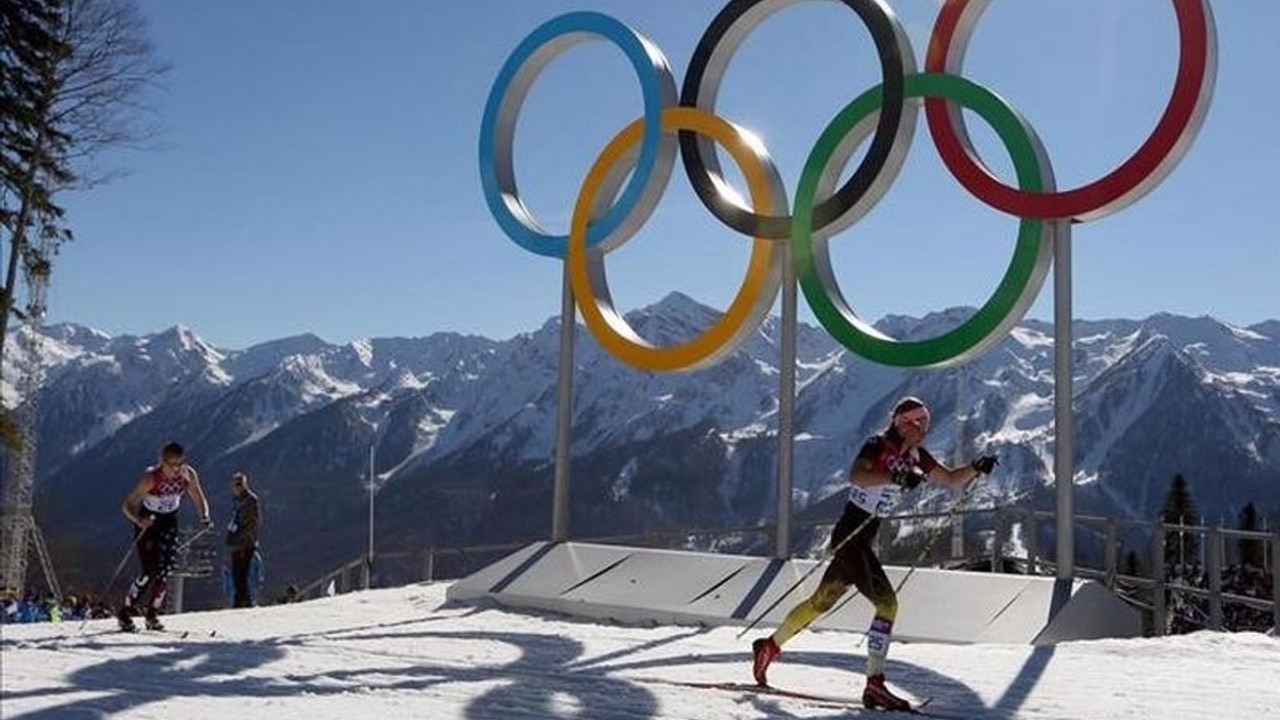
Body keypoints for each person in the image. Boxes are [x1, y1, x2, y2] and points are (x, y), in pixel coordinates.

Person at [751, 396, 999, 711]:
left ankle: (769, 647)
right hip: (850, 535)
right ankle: (875, 685)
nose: (925, 428)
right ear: (903, 423)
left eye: (926, 423)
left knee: (820, 602)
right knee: (887, 604)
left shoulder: (917, 456)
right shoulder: (877, 444)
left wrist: (976, 468)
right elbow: (857, 475)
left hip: (859, 538)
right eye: (920, 423)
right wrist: (895, 477)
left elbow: (950, 479)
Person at [117, 441, 211, 632]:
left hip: (169, 521)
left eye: (180, 464)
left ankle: (152, 614)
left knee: (165, 570)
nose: (176, 469)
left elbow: (198, 496)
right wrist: (138, 519)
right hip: (149, 522)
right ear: (163, 462)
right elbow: (127, 504)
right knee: (149, 570)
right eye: (172, 465)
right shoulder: (151, 478)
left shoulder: (188, 474)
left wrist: (205, 517)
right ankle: (126, 611)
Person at [225, 471, 261, 608]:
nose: (237, 488)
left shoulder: (251, 500)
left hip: (246, 544)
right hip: (235, 542)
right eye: (235, 485)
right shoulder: (236, 500)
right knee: (236, 573)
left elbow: (253, 523)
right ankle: (242, 600)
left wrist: (244, 541)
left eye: (239, 484)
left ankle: (241, 602)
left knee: (242, 573)